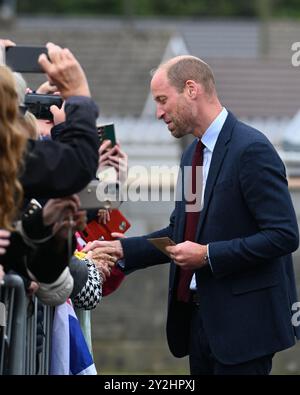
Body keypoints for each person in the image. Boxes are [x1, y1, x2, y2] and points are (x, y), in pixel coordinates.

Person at [84, 55, 300, 375]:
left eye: (161, 100)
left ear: (191, 89)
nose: (157, 113)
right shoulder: (191, 155)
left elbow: (284, 235)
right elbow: (180, 231)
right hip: (198, 326)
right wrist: (123, 249)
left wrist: (208, 255)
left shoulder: (252, 149)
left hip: (243, 334)